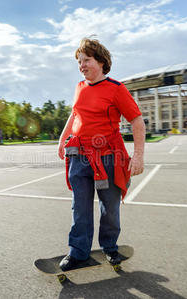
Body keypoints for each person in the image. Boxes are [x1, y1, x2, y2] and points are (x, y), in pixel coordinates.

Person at [57, 38, 145, 271]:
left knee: (110, 207)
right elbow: (75, 114)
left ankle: (109, 246)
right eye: (79, 61)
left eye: (86, 60)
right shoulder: (79, 87)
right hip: (79, 155)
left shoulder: (116, 89)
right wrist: (62, 139)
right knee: (80, 206)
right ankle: (78, 252)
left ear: (101, 61)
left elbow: (137, 120)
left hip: (108, 157)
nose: (81, 65)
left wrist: (137, 156)